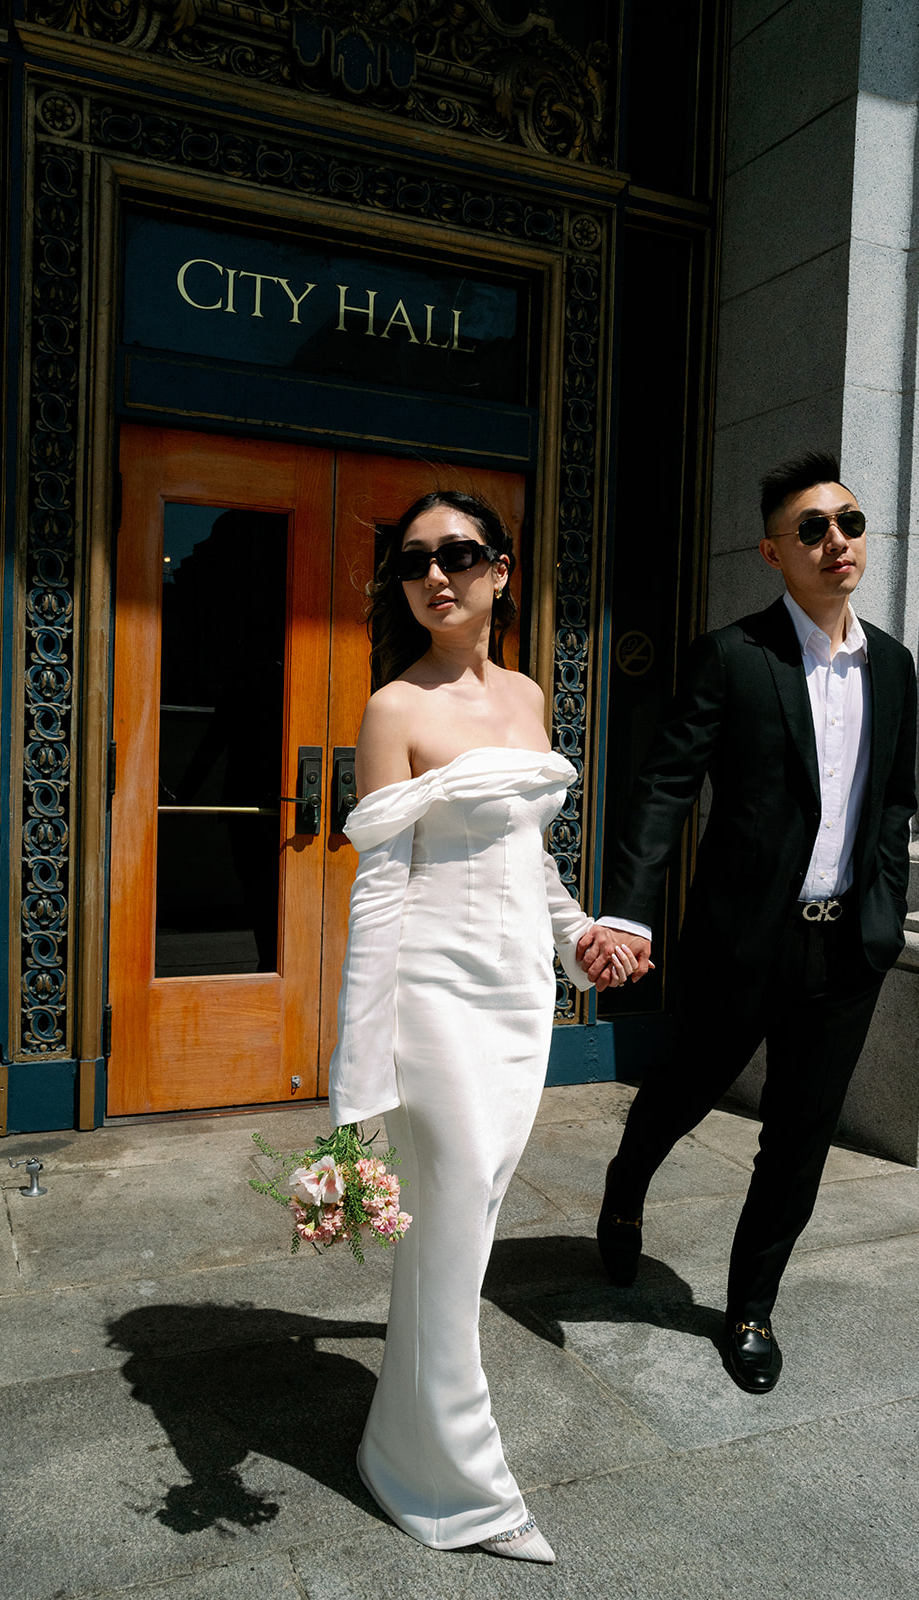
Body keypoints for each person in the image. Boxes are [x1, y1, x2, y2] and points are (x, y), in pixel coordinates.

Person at [329, 489, 636, 1562]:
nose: (436, 574)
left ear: (503, 570)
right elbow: (378, 895)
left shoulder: (528, 693)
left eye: (459, 553)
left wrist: (580, 934)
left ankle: (396, 1447)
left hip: (517, 999)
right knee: (453, 1233)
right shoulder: (393, 711)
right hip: (434, 1000)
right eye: (413, 561)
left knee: (463, 1233)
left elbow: (528, 857)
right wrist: (355, 1078)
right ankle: (459, 1488)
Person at [581, 451, 917, 1394]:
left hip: (846, 944)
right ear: (774, 553)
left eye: (847, 521)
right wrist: (629, 914)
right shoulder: (734, 654)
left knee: (800, 1136)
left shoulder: (893, 664)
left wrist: (883, 908)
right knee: (683, 1094)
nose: (836, 542)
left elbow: (895, 800)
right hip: (742, 942)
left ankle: (749, 1308)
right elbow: (665, 788)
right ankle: (626, 1184)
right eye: (811, 529)